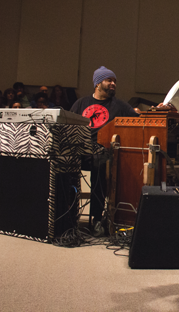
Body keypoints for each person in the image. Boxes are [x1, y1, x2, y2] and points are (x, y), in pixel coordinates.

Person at [70, 66, 138, 236]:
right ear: (98, 83)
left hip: (102, 152)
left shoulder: (120, 105)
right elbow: (69, 124)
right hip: (81, 149)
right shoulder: (81, 103)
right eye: (109, 80)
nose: (113, 83)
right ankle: (68, 215)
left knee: (100, 163)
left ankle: (96, 218)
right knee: (62, 164)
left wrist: (148, 111)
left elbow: (138, 120)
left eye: (114, 81)